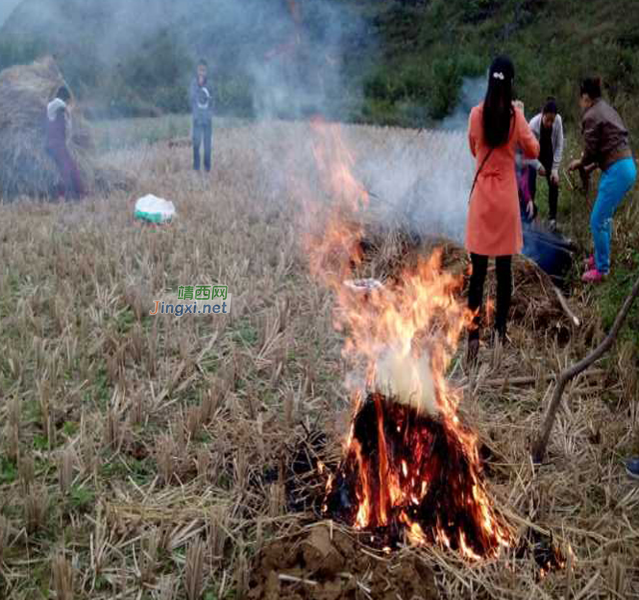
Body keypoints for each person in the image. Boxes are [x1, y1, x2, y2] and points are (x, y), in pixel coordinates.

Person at [465, 56, 540, 362]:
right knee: (505, 272)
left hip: (482, 202)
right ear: (511, 84)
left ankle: (472, 338)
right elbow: (533, 150)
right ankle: (498, 334)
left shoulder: (476, 114)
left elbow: (474, 149)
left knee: (478, 275)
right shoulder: (515, 117)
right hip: (506, 204)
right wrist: (519, 115)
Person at [568, 77, 637, 283]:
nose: (580, 104)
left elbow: (590, 150)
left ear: (586, 97)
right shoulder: (606, 109)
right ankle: (599, 257)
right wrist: (589, 165)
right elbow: (607, 146)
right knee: (604, 217)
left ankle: (602, 270)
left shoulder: (591, 115)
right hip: (626, 166)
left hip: (617, 170)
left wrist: (579, 163)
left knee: (597, 220)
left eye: (580, 99)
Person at [527, 98, 565, 231]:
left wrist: (554, 169)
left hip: (549, 153)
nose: (550, 123)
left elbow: (560, 144)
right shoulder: (532, 125)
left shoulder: (558, 120)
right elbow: (527, 153)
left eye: (552, 120)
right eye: (547, 119)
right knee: (530, 180)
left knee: (554, 182)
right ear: (542, 114)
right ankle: (530, 216)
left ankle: (552, 219)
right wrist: (538, 166)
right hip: (533, 155)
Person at [46, 86, 86, 200]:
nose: (68, 103)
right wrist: (70, 107)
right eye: (67, 100)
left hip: (59, 145)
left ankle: (78, 193)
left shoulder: (61, 111)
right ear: (64, 98)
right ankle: (70, 194)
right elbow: (63, 106)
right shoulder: (54, 104)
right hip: (54, 144)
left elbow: (67, 131)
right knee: (67, 168)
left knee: (71, 168)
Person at [189, 59, 214, 173]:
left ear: (206, 71)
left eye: (203, 70)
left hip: (207, 120)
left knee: (207, 146)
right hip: (197, 119)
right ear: (197, 70)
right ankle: (196, 169)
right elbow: (192, 100)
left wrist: (209, 116)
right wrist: (198, 85)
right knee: (196, 145)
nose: (201, 72)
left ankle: (207, 169)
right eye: (200, 70)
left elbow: (213, 101)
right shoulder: (193, 84)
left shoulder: (210, 85)